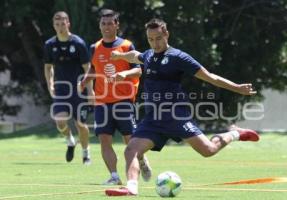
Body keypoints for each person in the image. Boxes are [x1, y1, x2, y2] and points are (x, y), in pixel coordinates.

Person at [104, 18, 260, 196]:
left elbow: (210, 77)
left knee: (208, 150)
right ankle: (131, 188)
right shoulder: (149, 55)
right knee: (131, 149)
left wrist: (237, 88)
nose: (155, 43)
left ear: (166, 34)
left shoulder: (178, 57)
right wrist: (121, 56)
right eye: (151, 39)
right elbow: (136, 56)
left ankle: (235, 133)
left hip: (176, 117)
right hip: (153, 120)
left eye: (158, 38)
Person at [78, 9, 152, 185]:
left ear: (117, 25)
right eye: (103, 23)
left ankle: (141, 160)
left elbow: (139, 70)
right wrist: (83, 82)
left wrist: (125, 73)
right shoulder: (94, 47)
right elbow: (94, 69)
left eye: (110, 23)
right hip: (102, 101)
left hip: (124, 101)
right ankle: (114, 176)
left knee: (130, 141)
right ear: (100, 25)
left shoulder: (127, 45)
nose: (106, 27)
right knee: (104, 139)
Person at [44, 11, 93, 165]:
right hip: (61, 90)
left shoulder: (78, 43)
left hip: (79, 90)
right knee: (60, 121)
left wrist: (90, 91)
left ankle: (86, 153)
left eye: (63, 24)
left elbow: (87, 68)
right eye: (57, 24)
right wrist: (50, 83)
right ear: (53, 25)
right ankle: (70, 140)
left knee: (82, 125)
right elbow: (48, 67)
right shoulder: (50, 45)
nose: (60, 27)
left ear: (68, 24)